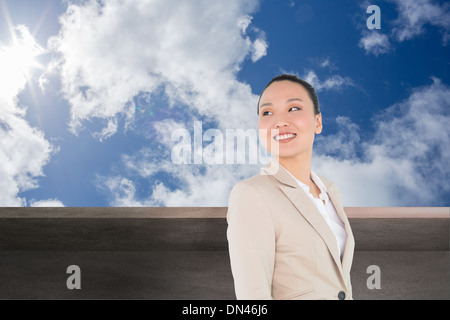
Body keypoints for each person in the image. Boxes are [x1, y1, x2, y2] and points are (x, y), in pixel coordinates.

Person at [226, 74, 355, 300]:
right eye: (267, 113)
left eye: (293, 108)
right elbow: (252, 296)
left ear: (318, 122)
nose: (280, 121)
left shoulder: (329, 189)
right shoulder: (251, 194)